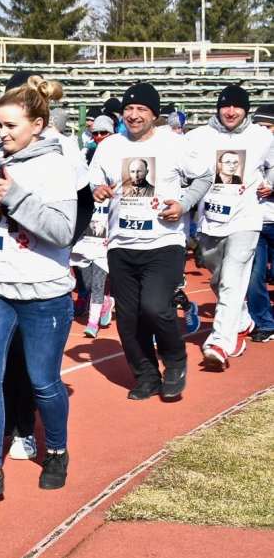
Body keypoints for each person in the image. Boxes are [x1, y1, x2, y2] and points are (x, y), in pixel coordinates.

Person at [0, 77, 78, 501]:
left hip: (44, 291)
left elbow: (62, 232)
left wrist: (18, 198)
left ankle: (57, 451)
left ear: (38, 125)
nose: (1, 132)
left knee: (43, 381)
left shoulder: (58, 166)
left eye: (10, 126)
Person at [89, 82, 211, 401]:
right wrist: (97, 188)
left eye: (141, 109)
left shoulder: (174, 143)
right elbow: (92, 178)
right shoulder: (110, 145)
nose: (133, 114)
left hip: (163, 241)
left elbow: (204, 176)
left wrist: (184, 204)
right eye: (129, 109)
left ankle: (174, 362)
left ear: (154, 115)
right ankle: (145, 375)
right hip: (121, 244)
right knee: (128, 319)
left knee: (156, 308)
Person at [186, 84, 273, 369]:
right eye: (226, 105)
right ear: (218, 108)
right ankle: (243, 318)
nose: (231, 111)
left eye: (237, 106)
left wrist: (269, 184)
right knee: (217, 277)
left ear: (246, 109)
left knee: (233, 277)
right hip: (210, 221)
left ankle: (220, 342)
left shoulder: (261, 136)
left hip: (246, 219)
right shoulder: (198, 137)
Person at [72, 117, 115, 338]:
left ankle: (93, 322)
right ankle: (106, 301)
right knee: (87, 281)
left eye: (104, 133)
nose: (99, 137)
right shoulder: (85, 155)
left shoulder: (119, 156)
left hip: (107, 231)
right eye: (95, 133)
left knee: (98, 280)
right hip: (87, 231)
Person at [245, 103, 274, 343]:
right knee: (254, 276)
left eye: (268, 126)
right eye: (259, 126)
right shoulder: (247, 153)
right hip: (255, 222)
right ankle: (264, 321)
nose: (263, 131)